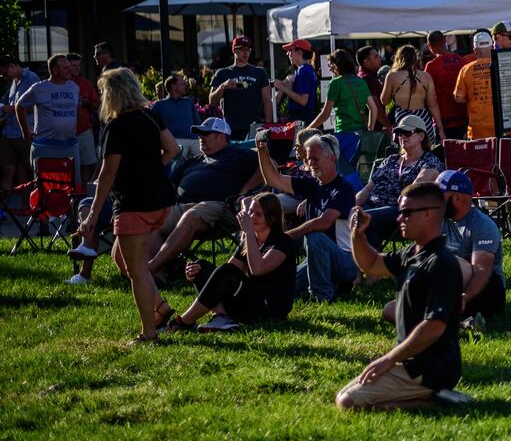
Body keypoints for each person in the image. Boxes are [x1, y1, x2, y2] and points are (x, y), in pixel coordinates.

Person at [340, 181, 464, 409]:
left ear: (429, 214)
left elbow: (435, 325)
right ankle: (432, 397)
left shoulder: (440, 263)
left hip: (430, 368)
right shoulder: (413, 253)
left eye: (407, 213)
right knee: (343, 394)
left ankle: (434, 401)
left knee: (348, 402)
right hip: (410, 362)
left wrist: (388, 359)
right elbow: (372, 264)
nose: (399, 219)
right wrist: (357, 234)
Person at [76, 68, 180, 340]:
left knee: (137, 271)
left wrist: (92, 216)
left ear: (112, 94)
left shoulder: (116, 125)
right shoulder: (151, 115)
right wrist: (152, 169)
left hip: (134, 205)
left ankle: (149, 332)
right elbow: (174, 150)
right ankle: (161, 307)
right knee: (119, 257)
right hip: (160, 200)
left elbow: (107, 174)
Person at [144, 116, 264, 276]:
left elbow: (269, 166)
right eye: (199, 134)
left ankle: (150, 268)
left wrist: (245, 189)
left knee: (191, 216)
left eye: (205, 134)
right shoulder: (193, 161)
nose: (200, 138)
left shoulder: (238, 154)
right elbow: (169, 185)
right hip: (182, 204)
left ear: (221, 136)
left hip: (218, 206)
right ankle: (160, 276)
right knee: (154, 221)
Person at [163, 194, 296, 332]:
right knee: (201, 266)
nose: (251, 217)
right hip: (250, 302)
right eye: (250, 212)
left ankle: (184, 321)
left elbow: (258, 269)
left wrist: (249, 233)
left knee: (227, 271)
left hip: (270, 309)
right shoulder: (250, 240)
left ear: (272, 219)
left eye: (258, 214)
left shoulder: (283, 242)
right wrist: (195, 273)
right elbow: (222, 274)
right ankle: (221, 317)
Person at [255, 132, 357, 302]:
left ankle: (322, 296)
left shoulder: (343, 188)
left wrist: (286, 236)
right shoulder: (313, 184)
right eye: (309, 158)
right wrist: (262, 151)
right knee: (285, 291)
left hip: (345, 262)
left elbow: (323, 223)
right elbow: (274, 180)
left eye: (315, 159)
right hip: (317, 257)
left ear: (332, 159)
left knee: (315, 237)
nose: (310, 163)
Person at [353, 114, 445, 247]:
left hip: (399, 210)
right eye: (400, 133)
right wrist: (349, 206)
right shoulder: (391, 160)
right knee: (343, 216)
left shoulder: (429, 161)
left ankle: (374, 265)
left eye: (407, 132)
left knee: (363, 219)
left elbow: (414, 190)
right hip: (373, 205)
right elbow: (368, 188)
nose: (402, 136)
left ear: (421, 136)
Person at [437, 170, 506, 321]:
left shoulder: (482, 224)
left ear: (457, 198)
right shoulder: (439, 219)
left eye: (441, 196)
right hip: (453, 284)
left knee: (448, 261)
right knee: (390, 310)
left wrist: (464, 298)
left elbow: (482, 271)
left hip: (487, 289)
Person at [312, 48, 384, 164]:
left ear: (337, 65)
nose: (330, 68)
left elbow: (325, 114)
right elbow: (374, 109)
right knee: (360, 170)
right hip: (361, 134)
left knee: (344, 170)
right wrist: (369, 129)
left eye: (331, 65)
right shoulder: (361, 82)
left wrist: (310, 128)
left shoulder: (336, 83)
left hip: (343, 134)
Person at [15, 53, 79, 183]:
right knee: (46, 187)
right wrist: (25, 130)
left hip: (70, 145)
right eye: (66, 68)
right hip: (46, 146)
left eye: (70, 67)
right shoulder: (39, 88)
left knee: (73, 184)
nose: (70, 70)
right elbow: (20, 106)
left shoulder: (74, 87)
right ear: (55, 70)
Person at [209, 35, 271, 141]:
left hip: (254, 126)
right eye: (242, 50)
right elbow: (212, 102)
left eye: (248, 50)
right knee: (234, 156)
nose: (245, 53)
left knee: (254, 157)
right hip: (230, 127)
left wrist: (268, 126)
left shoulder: (260, 72)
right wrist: (222, 87)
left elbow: (267, 100)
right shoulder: (222, 73)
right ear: (234, 50)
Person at [379, 45, 444, 146]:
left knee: (405, 151)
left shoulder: (392, 76)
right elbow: (433, 105)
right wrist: (440, 129)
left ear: (398, 58)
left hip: (403, 119)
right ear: (415, 58)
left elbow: (384, 101)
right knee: (425, 151)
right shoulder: (426, 77)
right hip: (423, 119)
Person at [0, 56, 39, 191]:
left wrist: (13, 108)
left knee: (31, 169)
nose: (4, 77)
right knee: (10, 169)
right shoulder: (14, 81)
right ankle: (14, 206)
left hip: (24, 131)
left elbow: (37, 105)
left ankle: (33, 203)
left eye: (4, 74)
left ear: (12, 66)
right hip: (9, 132)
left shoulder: (31, 78)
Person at [423, 30, 469, 140]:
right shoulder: (462, 61)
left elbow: (428, 97)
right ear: (445, 41)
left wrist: (439, 128)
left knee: (444, 156)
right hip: (464, 120)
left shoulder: (431, 66)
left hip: (443, 124)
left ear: (430, 46)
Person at [452, 31, 497, 140]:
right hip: (502, 126)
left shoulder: (466, 69)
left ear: (475, 51)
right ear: (492, 48)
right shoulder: (502, 65)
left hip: (477, 129)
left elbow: (458, 98)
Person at [65, 53, 100, 184]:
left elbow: (96, 104)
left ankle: (83, 192)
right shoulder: (59, 83)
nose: (76, 68)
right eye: (73, 65)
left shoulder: (85, 83)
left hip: (83, 128)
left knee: (88, 164)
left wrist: (88, 104)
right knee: (67, 164)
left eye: (78, 65)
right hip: (64, 132)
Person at [273, 39, 321, 126]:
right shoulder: (306, 69)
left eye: (290, 50)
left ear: (299, 52)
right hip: (304, 116)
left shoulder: (303, 70)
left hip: (302, 117)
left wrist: (282, 87)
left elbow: (303, 100)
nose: (288, 54)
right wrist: (288, 86)